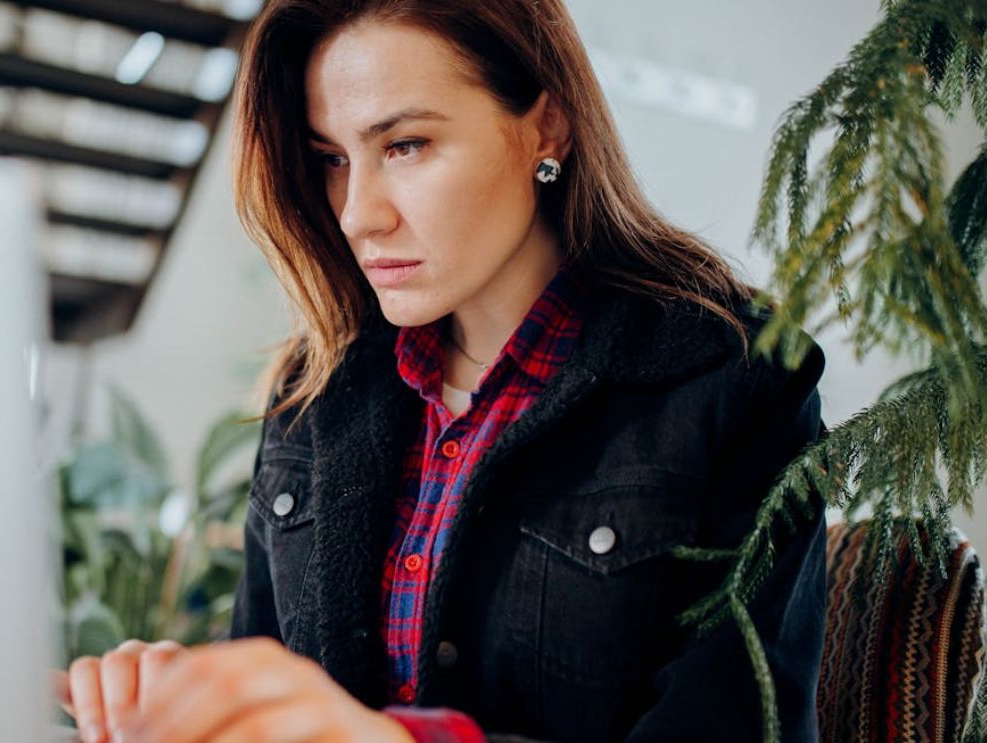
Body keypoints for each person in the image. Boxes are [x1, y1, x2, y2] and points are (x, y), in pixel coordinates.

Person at [57, 1, 829, 741]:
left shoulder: (732, 379)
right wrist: (178, 705)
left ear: (546, 126)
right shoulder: (315, 388)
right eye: (331, 158)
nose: (358, 212)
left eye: (404, 146)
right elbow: (264, 683)